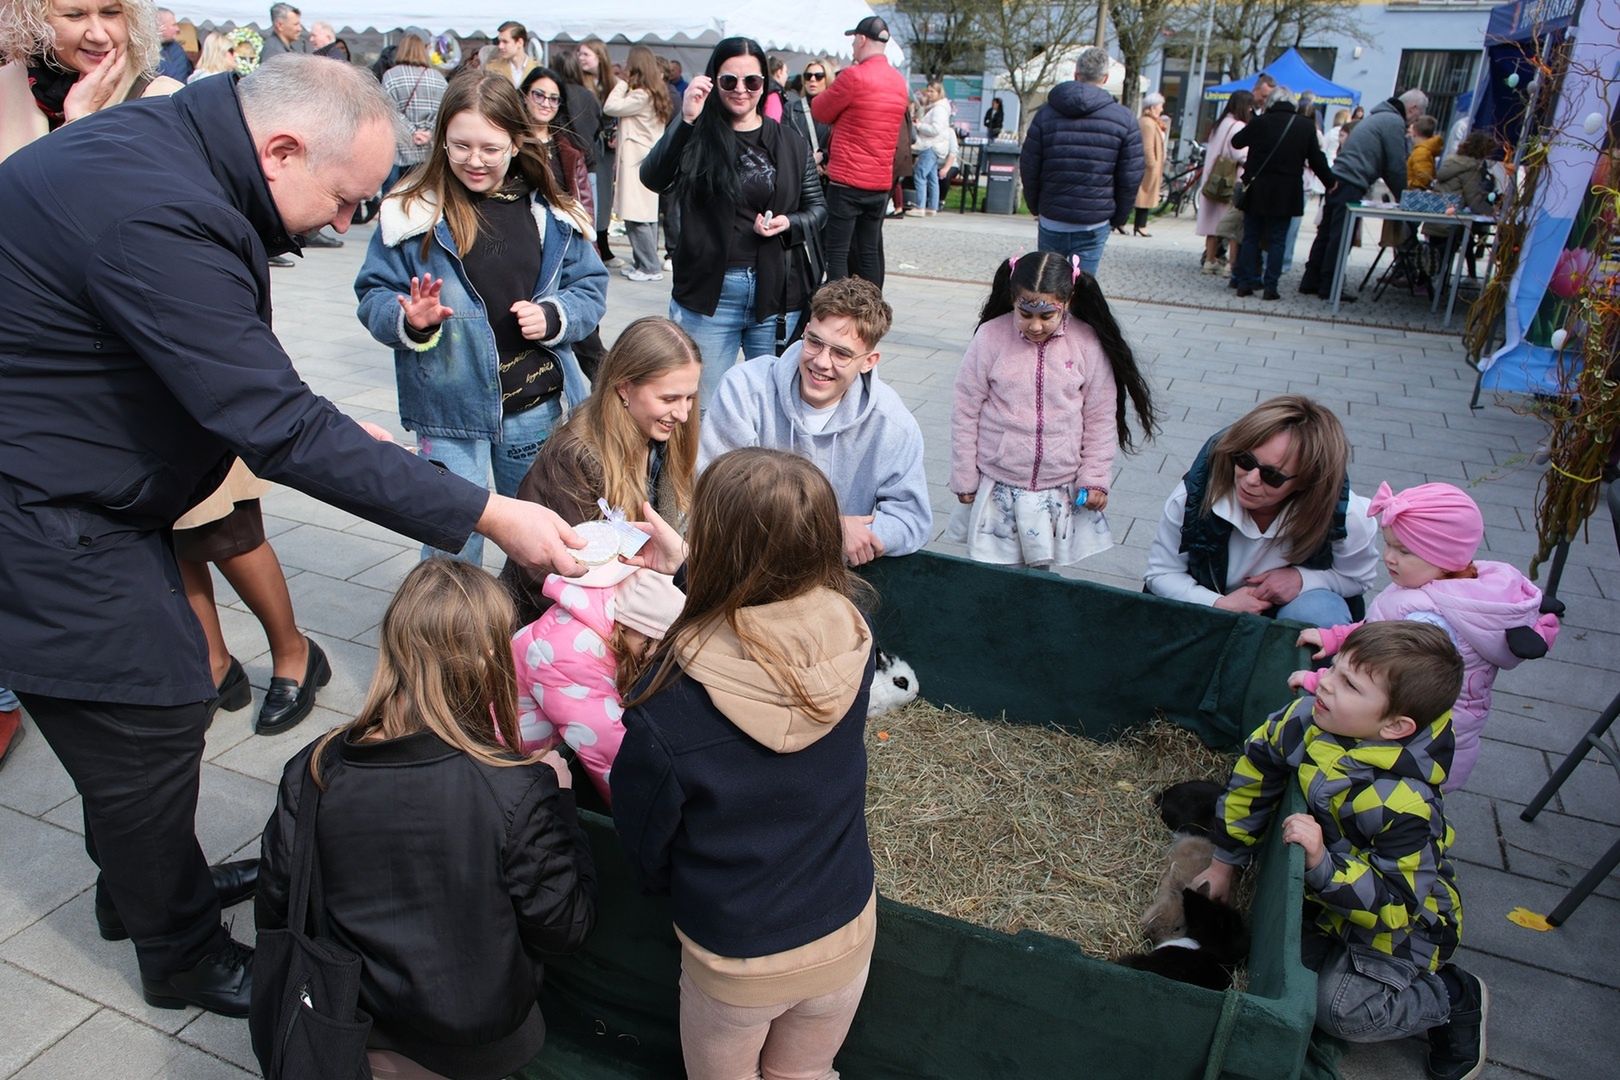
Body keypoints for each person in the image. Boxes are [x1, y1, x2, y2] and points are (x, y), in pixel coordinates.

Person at [0, 54, 589, 1019]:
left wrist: (323, 424)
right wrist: (492, 512)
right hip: (42, 515)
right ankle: (178, 949)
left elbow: (247, 386)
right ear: (280, 148)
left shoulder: (168, 155)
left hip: (83, 496)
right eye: (346, 198)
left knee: (151, 713)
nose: (348, 224)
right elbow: (278, 429)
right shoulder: (156, 207)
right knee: (149, 717)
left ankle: (145, 884)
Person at [257, 558, 598, 1079]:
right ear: (489, 659)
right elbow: (565, 927)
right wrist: (565, 805)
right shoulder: (518, 788)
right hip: (477, 1040)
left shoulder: (314, 768)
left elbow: (277, 903)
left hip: (351, 1020)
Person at [611, 448, 878, 1080]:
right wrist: (687, 574)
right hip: (843, 926)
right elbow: (765, 628)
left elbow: (644, 827)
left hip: (736, 954)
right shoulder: (855, 635)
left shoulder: (668, 702)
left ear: (712, 547)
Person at [1194, 622, 1486, 1080]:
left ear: (1394, 726)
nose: (1325, 682)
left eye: (1349, 683)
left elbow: (1396, 903)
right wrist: (1225, 861)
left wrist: (1321, 865)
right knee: (1269, 965)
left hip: (1401, 930)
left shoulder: (1406, 804)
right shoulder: (1309, 717)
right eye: (1335, 667)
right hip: (1330, 903)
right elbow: (1256, 771)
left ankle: (1452, 996)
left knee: (1340, 1010)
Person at [356, 73, 609, 565]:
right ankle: (449, 637)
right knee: (452, 540)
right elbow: (372, 294)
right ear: (440, 142)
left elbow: (590, 287)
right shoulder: (412, 212)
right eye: (461, 145)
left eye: (490, 148)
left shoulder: (552, 211)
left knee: (541, 533)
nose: (475, 159)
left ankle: (533, 633)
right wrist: (411, 320)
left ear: (516, 142)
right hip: (448, 411)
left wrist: (556, 316)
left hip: (533, 405)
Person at [1294, 482, 1559, 792]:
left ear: (1444, 556)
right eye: (1389, 543)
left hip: (1412, 745)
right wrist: (1337, 636)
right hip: (1419, 729)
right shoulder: (1441, 583)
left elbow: (1380, 678)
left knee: (1376, 810)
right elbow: (1380, 628)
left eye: (1404, 551)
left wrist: (1323, 682)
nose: (1389, 557)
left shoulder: (1430, 621)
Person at [641, 36, 826, 403]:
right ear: (713, 81)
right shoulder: (697, 135)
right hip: (710, 292)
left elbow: (818, 209)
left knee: (771, 405)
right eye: (729, 81)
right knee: (700, 408)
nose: (741, 90)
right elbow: (654, 178)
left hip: (775, 293)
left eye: (751, 82)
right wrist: (687, 119)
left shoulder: (790, 142)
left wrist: (788, 223)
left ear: (764, 84)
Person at [948, 251, 1158, 569]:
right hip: (999, 481)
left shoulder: (1086, 342)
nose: (1035, 326)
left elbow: (1100, 415)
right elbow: (965, 408)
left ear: (1068, 301)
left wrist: (1095, 478)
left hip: (1056, 485)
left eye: (1047, 316)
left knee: (1039, 576)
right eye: (1025, 313)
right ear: (1013, 300)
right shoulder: (990, 336)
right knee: (991, 574)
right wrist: (964, 475)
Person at [700, 278, 930, 566]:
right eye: (815, 342)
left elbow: (911, 520)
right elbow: (714, 488)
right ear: (805, 332)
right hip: (744, 564)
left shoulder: (892, 424)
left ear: (870, 361)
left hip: (835, 579)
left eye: (841, 353)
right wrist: (829, 530)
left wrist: (860, 534)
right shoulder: (744, 388)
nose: (821, 362)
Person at [501, 316, 702, 625]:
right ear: (624, 388)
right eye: (669, 398)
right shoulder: (576, 456)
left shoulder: (667, 434)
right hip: (558, 621)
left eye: (690, 397)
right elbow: (557, 571)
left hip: (629, 602)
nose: (683, 413)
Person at [1144, 395, 1378, 626]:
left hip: (1294, 606)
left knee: (1318, 613)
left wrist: (1302, 579)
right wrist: (1219, 604)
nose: (1251, 480)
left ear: (1307, 481)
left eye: (1272, 475)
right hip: (1208, 614)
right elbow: (1161, 574)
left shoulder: (1348, 516)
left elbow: (1357, 579)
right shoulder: (1193, 496)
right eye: (1245, 460)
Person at [511, 560, 684, 806]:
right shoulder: (564, 651)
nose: (656, 658)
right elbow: (609, 755)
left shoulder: (595, 627)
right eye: (653, 646)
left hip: (546, 747)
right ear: (631, 627)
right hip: (509, 757)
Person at [0, 0, 185, 163]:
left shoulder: (165, 101)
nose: (98, 36)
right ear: (36, 21)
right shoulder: (8, 85)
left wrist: (78, 120)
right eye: (75, 15)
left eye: (111, 12)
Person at [1018, 46, 1144, 277]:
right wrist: (1118, 216)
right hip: (1094, 218)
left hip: (1052, 216)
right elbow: (1130, 176)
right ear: (1105, 78)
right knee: (1084, 290)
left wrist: (1036, 205)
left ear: (1076, 75)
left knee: (1047, 286)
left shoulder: (1046, 114)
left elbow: (1029, 166)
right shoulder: (1124, 119)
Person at [1299, 89, 1428, 301]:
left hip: (1339, 177)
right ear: (1413, 108)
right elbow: (1395, 165)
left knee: (1327, 232)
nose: (1415, 120)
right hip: (1351, 181)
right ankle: (1329, 286)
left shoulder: (1378, 116)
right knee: (1341, 237)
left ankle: (1311, 280)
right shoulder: (1393, 122)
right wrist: (1403, 196)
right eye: (1417, 114)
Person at [810, 15, 908, 287]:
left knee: (837, 252)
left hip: (847, 181)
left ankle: (838, 311)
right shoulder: (899, 82)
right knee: (869, 251)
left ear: (863, 39)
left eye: (854, 39)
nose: (853, 45)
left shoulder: (854, 77)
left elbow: (820, 110)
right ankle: (871, 310)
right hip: (879, 183)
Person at [1230, 87, 1335, 300]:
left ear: (1272, 102)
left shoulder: (1261, 122)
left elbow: (1237, 142)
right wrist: (1330, 182)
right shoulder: (1305, 126)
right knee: (1278, 239)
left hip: (1257, 188)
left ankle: (1244, 283)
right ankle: (1271, 287)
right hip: (1286, 191)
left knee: (1251, 237)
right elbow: (1316, 159)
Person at [604, 44, 674, 282]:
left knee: (636, 215)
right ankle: (644, 262)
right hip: (646, 158)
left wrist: (622, 82)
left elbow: (610, 106)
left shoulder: (641, 94)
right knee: (645, 214)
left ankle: (648, 266)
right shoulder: (657, 92)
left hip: (636, 159)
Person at [380, 33, 447, 193]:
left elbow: (388, 111)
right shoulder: (438, 78)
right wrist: (429, 132)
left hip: (398, 151)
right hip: (427, 152)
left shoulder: (391, 76)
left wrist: (412, 131)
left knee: (392, 201)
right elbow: (444, 110)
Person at [1195, 90, 1252, 274]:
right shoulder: (1238, 126)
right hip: (1229, 180)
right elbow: (1238, 153)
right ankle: (1231, 264)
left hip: (1213, 178)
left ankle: (1210, 260)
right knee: (1232, 224)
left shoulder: (1219, 124)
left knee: (1212, 223)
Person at [577, 37, 620, 267]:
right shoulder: (579, 83)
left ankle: (603, 243)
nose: (581, 58)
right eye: (580, 54)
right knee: (589, 196)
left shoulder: (612, 83)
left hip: (606, 150)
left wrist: (615, 133)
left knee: (604, 198)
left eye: (586, 54)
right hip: (588, 148)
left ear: (599, 56)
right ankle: (595, 246)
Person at [786, 57, 833, 185]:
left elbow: (841, 143)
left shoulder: (836, 110)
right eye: (808, 76)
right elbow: (785, 144)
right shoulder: (790, 109)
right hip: (800, 178)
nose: (812, 80)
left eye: (818, 76)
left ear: (827, 79)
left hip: (828, 179)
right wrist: (810, 161)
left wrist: (823, 156)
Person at [912, 81, 952, 216]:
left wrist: (919, 126)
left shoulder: (939, 109)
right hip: (936, 146)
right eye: (928, 91)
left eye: (932, 91)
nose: (928, 94)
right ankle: (932, 207)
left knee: (920, 174)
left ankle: (920, 206)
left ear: (939, 93)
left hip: (931, 145)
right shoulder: (939, 107)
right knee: (932, 176)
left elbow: (935, 129)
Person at [1132, 93, 1166, 237]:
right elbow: (1147, 147)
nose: (1162, 109)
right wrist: (1152, 165)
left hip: (1151, 166)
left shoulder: (1151, 122)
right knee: (1143, 195)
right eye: (1160, 106)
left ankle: (1135, 224)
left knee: (1142, 195)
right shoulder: (1147, 123)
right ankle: (1140, 225)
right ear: (1152, 107)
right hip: (1148, 167)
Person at [485, 20, 537, 89]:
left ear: (520, 42)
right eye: (499, 41)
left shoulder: (537, 69)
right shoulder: (491, 69)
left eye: (505, 42)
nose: (500, 46)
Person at [1407, 115, 1443, 190]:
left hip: (1414, 194)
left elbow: (1423, 179)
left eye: (1410, 131)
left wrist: (1408, 183)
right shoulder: (1425, 150)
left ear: (1414, 132)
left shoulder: (1421, 152)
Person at [155, 6, 190, 80]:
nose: (177, 29)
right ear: (160, 26)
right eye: (173, 25)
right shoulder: (145, 52)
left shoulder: (177, 49)